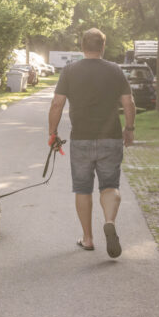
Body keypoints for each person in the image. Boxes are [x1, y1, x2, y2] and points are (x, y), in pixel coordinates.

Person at [47, 28, 135, 258]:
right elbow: (129, 102)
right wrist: (129, 129)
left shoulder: (70, 71)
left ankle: (87, 238)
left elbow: (57, 104)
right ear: (103, 47)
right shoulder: (115, 70)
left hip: (81, 139)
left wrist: (52, 132)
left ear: (82, 46)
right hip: (111, 138)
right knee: (110, 185)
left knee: (83, 188)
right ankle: (109, 221)